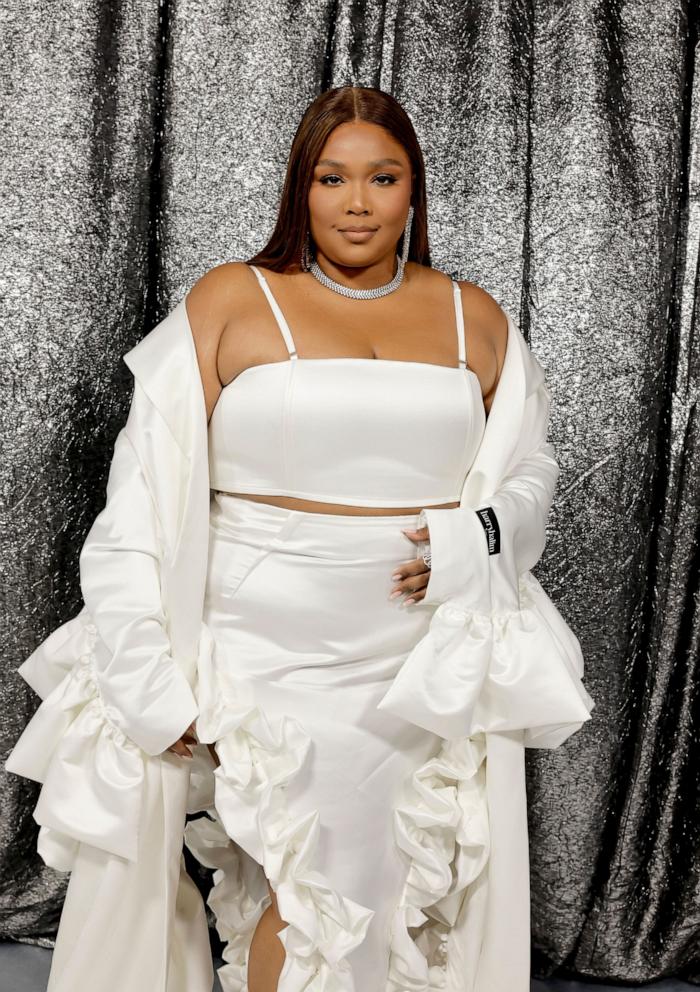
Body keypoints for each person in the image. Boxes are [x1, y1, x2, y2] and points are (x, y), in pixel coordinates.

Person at [5, 86, 595, 992]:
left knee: (379, 890)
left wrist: (467, 542)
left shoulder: (473, 318)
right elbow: (138, 502)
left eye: (382, 178)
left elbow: (530, 475)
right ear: (300, 187)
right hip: (259, 648)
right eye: (332, 177)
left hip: (412, 665)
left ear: (413, 191)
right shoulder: (232, 299)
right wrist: (147, 676)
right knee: (310, 888)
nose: (357, 203)